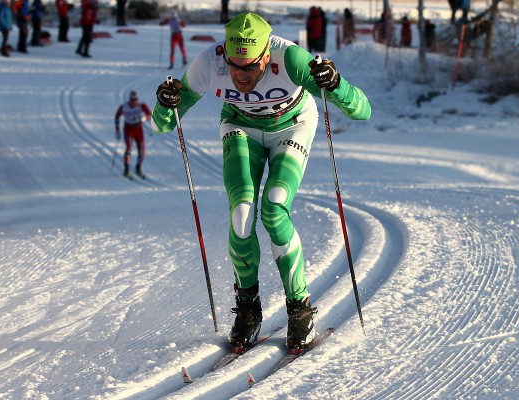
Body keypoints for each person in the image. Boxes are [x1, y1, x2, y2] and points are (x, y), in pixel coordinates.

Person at [151, 12, 371, 351]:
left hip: (293, 125)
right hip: (241, 127)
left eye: (250, 67)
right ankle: (249, 307)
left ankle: (299, 306)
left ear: (266, 56)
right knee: (241, 215)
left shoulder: (292, 59)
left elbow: (363, 111)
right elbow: (164, 124)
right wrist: (165, 104)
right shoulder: (209, 63)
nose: (241, 75)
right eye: (234, 66)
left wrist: (336, 84)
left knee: (273, 207)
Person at [115, 90, 152, 179]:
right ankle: (126, 170)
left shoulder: (141, 106)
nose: (134, 101)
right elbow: (117, 117)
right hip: (128, 129)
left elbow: (151, 115)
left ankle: (138, 169)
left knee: (142, 151)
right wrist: (117, 130)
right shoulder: (124, 107)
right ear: (129, 99)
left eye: (136, 99)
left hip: (138, 129)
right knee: (129, 148)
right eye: (132, 99)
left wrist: (145, 117)